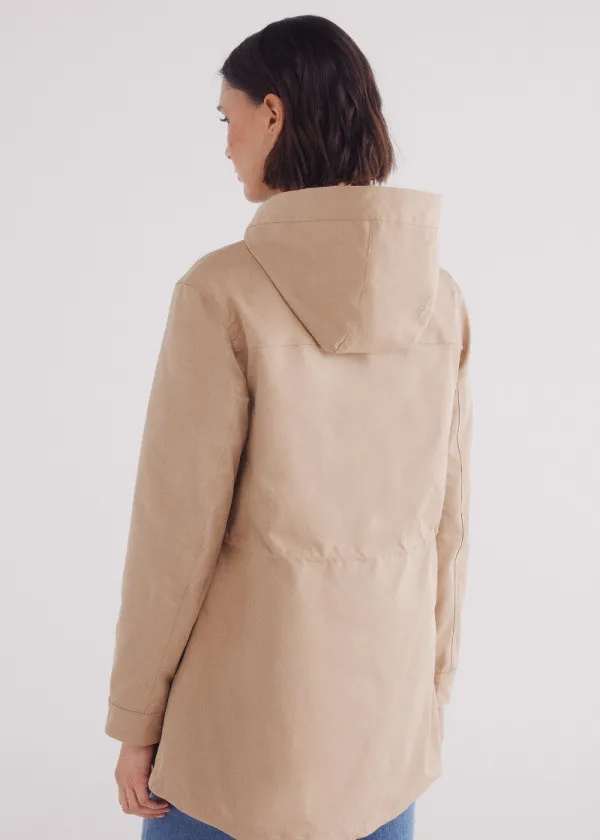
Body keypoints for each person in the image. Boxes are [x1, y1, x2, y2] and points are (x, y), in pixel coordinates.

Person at [105, 14, 473, 840]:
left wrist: (137, 718)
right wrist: (431, 695)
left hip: (235, 741)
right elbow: (450, 529)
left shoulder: (220, 293)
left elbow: (174, 537)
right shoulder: (440, 299)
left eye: (228, 118)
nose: (226, 145)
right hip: (384, 738)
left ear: (272, 113)